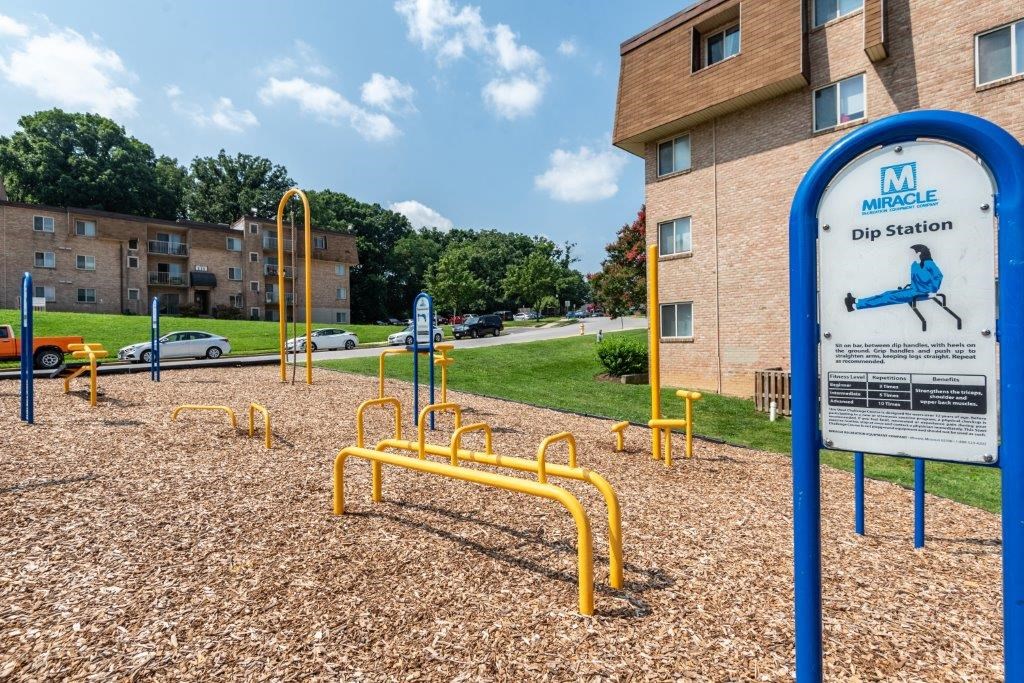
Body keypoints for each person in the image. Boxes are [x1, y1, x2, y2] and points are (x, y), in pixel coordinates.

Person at [845, 244, 943, 311]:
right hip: (914, 291)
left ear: (922, 254)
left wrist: (932, 291)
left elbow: (938, 277)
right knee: (887, 293)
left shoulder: (930, 264)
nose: (916, 256)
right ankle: (857, 301)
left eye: (918, 254)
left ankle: (856, 306)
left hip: (923, 293)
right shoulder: (916, 265)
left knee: (889, 297)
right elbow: (916, 280)